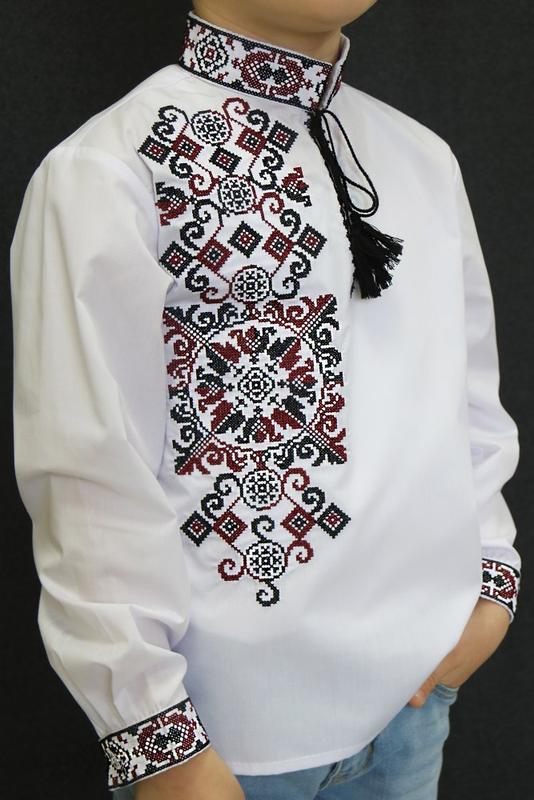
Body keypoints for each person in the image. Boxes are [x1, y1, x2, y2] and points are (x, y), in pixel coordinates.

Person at [9, 0, 521, 798]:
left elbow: (469, 398)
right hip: (227, 740)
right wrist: (154, 734)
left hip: (417, 702)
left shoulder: (419, 157)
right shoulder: (110, 170)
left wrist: (492, 578)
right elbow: (87, 474)